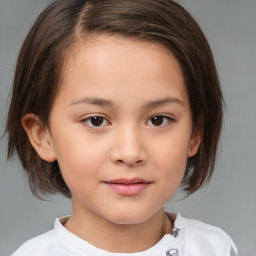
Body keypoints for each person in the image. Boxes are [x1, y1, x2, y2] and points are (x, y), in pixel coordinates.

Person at [6, 0, 238, 255]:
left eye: (158, 120)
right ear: (43, 136)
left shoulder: (215, 248)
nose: (130, 153)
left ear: (195, 133)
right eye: (96, 120)